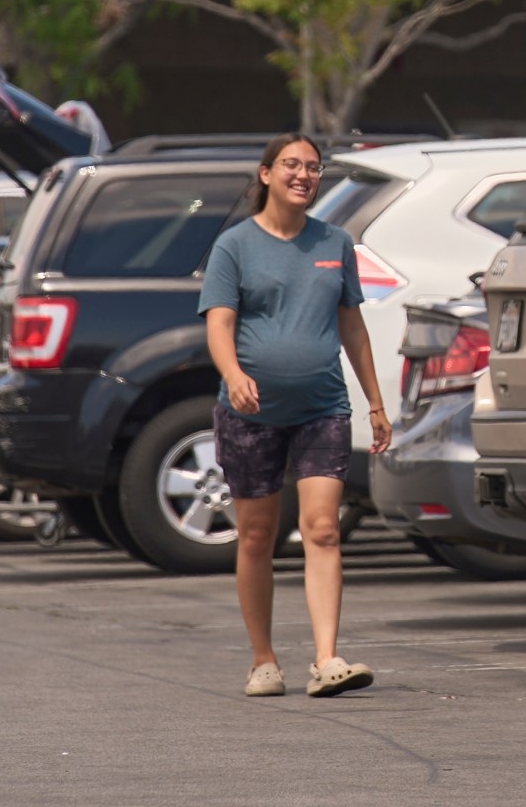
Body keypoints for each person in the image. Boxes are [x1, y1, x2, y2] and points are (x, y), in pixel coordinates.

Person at [200, 131, 392, 700]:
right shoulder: (234, 245)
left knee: (324, 529)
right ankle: (263, 661)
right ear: (266, 174)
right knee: (257, 535)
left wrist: (375, 402)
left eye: (313, 167)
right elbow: (219, 322)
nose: (304, 175)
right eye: (291, 165)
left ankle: (327, 658)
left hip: (322, 407)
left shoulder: (335, 242)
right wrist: (234, 375)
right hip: (250, 414)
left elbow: (352, 324)